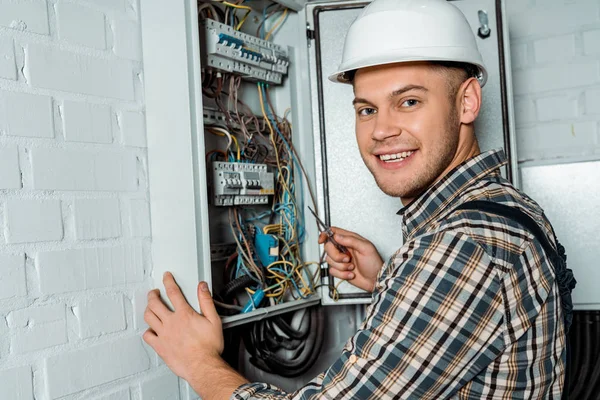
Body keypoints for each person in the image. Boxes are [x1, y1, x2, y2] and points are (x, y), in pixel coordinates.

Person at [143, 0, 572, 398]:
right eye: (366, 109)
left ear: (467, 102)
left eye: (408, 101)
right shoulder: (506, 207)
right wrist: (389, 278)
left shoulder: (460, 249)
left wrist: (198, 361)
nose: (381, 130)